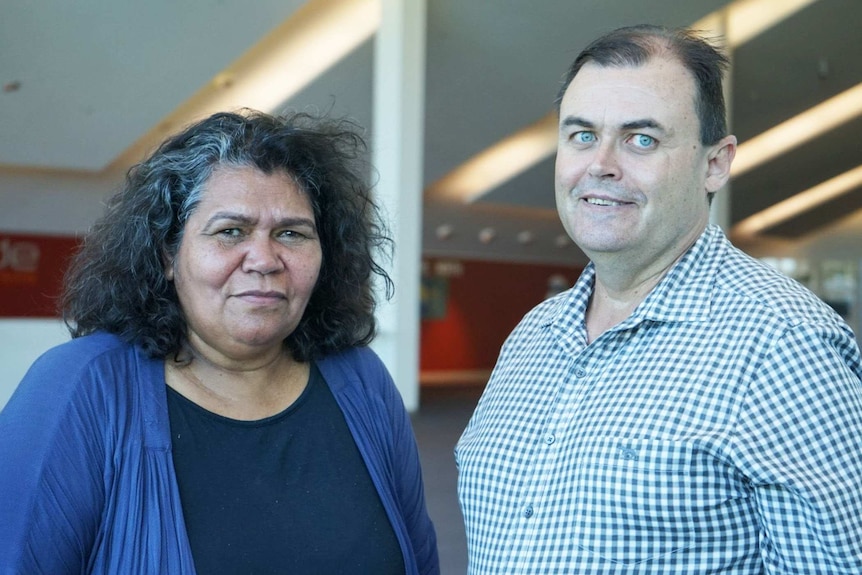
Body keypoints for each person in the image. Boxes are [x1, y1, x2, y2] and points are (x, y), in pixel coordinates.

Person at [456, 24, 862, 573]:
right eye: (581, 135)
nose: (600, 164)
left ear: (715, 163)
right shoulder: (533, 334)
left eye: (641, 139)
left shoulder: (785, 345)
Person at [0, 109, 439, 574]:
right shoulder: (80, 387)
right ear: (168, 254)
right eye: (231, 231)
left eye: (292, 233)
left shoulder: (361, 378)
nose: (265, 260)